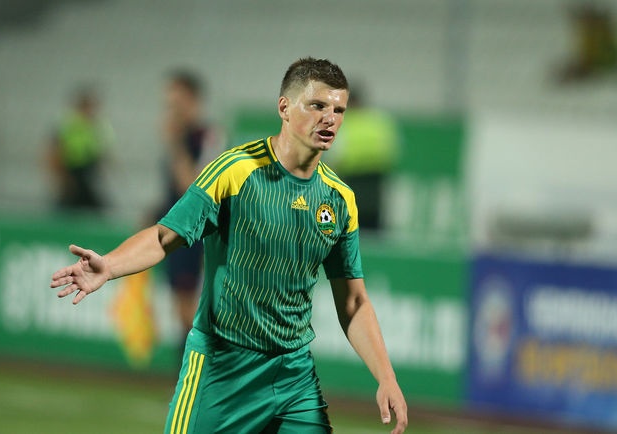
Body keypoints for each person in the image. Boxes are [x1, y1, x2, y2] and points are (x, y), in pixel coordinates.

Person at [50, 57, 408, 434]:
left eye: (338, 110)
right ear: (284, 108)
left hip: (293, 376)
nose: (329, 119)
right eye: (317, 105)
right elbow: (164, 236)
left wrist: (386, 376)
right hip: (222, 369)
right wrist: (109, 266)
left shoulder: (340, 199)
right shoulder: (235, 171)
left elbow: (353, 302)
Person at [159, 69, 225, 350]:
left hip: (199, 234)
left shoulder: (208, 137)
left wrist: (175, 144)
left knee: (196, 313)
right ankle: (185, 371)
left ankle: (201, 370)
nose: (172, 111)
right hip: (176, 232)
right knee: (181, 310)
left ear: (193, 100)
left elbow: (192, 188)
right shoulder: (181, 139)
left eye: (177, 103)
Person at [327, 83, 399, 231]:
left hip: (351, 177)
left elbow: (335, 155)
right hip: (375, 177)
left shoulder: (341, 123)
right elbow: (392, 148)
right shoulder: (378, 120)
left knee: (352, 219)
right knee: (373, 218)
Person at [45, 85, 113, 211]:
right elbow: (55, 152)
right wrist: (62, 177)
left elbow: (100, 152)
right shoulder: (67, 124)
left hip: (88, 171)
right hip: (72, 171)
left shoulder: (96, 126)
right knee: (69, 205)